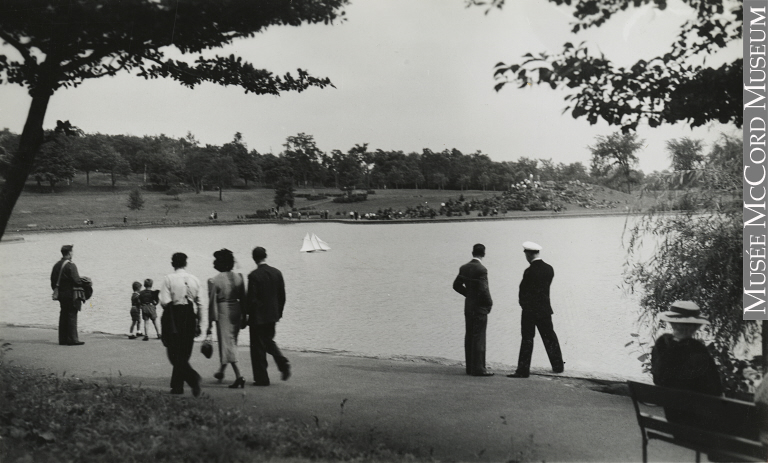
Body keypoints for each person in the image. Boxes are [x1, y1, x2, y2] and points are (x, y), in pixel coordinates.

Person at [508, 241, 564, 378]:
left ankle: (523, 370)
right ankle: (558, 366)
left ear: (528, 254)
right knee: (550, 337)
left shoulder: (529, 271)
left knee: (527, 338)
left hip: (529, 311)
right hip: (545, 309)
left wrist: (524, 305)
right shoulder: (549, 269)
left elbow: (522, 292)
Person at [159, 252, 203, 397]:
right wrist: (199, 324)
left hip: (175, 315)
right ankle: (177, 386)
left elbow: (164, 302)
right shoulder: (195, 279)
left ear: (173, 263)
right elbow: (200, 304)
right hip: (190, 316)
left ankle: (192, 378)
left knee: (173, 352)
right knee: (184, 352)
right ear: (186, 263)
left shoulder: (168, 279)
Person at [245, 246, 291, 386]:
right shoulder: (277, 273)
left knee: (258, 347)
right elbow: (282, 296)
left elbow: (251, 299)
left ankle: (262, 378)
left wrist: (246, 315)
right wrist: (279, 313)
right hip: (272, 315)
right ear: (266, 256)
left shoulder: (253, 275)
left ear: (254, 258)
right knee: (268, 340)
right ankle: (281, 361)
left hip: (258, 317)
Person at [206, 249, 247, 389]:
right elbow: (243, 297)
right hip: (236, 309)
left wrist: (210, 323)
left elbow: (212, 303)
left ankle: (239, 376)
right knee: (231, 341)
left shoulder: (215, 280)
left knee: (227, 343)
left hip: (223, 311)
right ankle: (221, 371)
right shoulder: (239, 277)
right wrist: (244, 315)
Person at [452, 243, 494, 376]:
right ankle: (479, 369)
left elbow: (456, 285)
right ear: (484, 254)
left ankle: (470, 367)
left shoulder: (464, 268)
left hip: (468, 306)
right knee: (479, 337)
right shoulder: (482, 269)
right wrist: (489, 304)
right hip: (479, 307)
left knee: (469, 335)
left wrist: (468, 294)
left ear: (472, 253)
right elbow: (484, 290)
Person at [50, 244, 85, 346]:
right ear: (69, 253)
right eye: (72, 252)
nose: (72, 253)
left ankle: (63, 339)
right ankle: (73, 339)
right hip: (71, 294)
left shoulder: (56, 265)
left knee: (63, 315)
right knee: (72, 315)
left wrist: (58, 291)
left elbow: (52, 281)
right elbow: (77, 281)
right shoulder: (70, 265)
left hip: (61, 294)